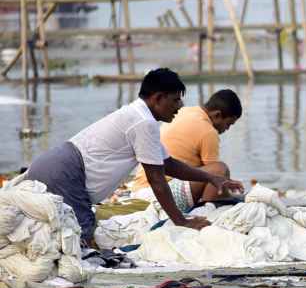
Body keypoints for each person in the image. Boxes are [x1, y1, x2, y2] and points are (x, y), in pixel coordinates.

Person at [24, 68, 242, 246]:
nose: (180, 107)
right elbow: (157, 180)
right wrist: (180, 221)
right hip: (65, 172)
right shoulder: (144, 122)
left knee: (65, 233)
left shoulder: (141, 117)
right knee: (85, 243)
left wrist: (211, 178)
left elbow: (167, 164)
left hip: (58, 167)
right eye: (175, 100)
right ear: (158, 98)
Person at [130, 88, 242, 211]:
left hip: (140, 189)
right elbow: (216, 177)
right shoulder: (208, 131)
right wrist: (234, 197)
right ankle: (206, 210)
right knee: (220, 169)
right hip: (159, 194)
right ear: (217, 115)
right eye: (228, 124)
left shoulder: (185, 111)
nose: (227, 129)